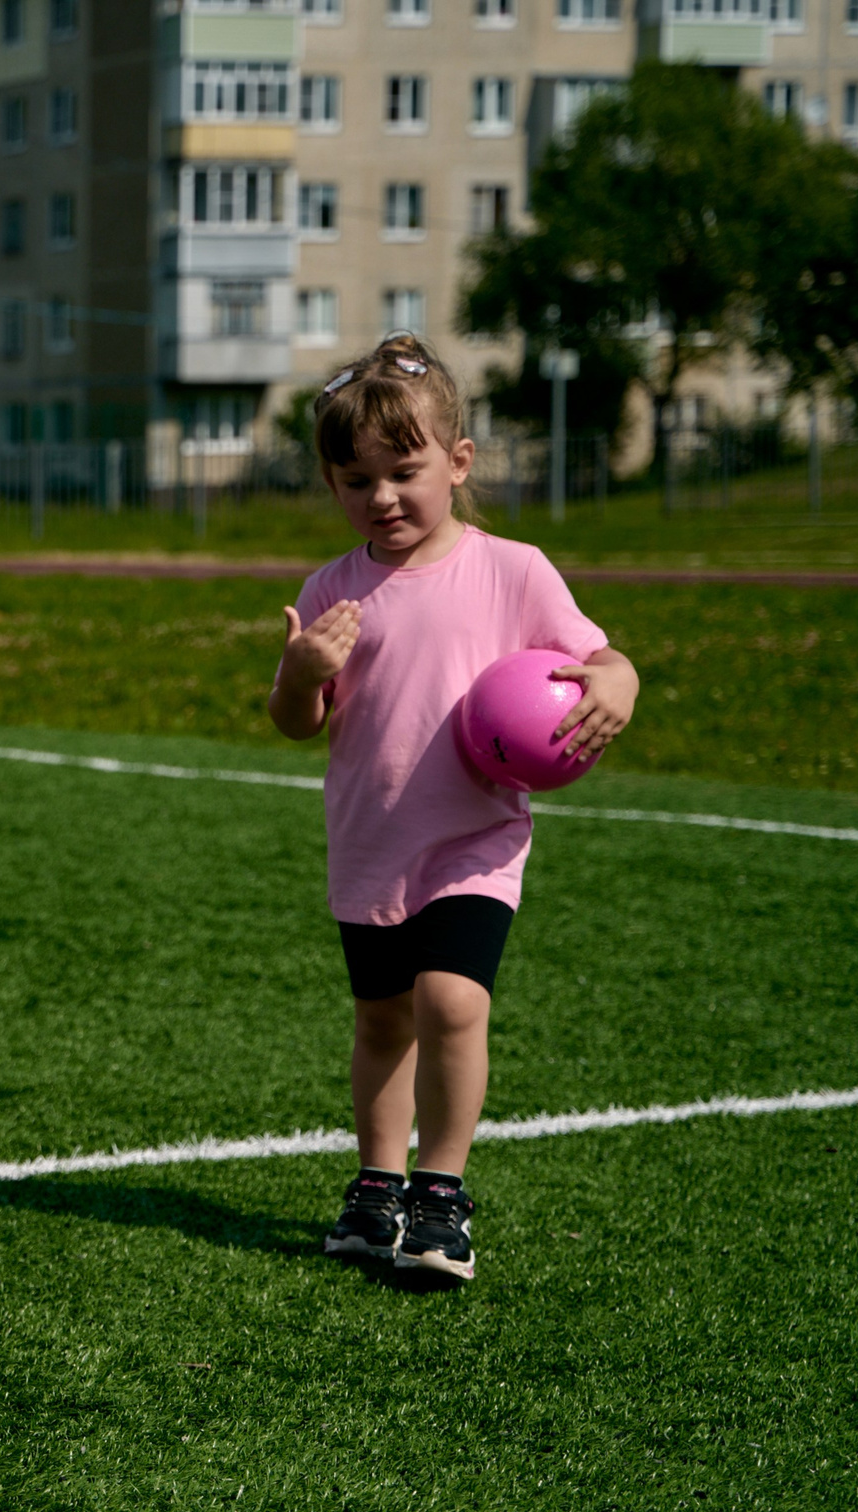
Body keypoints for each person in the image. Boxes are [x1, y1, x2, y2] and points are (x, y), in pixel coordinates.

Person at [268, 335, 639, 1282]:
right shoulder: (331, 590)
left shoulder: (513, 569)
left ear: (458, 461)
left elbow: (599, 656)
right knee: (382, 1020)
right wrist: (300, 673)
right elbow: (298, 723)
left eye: (406, 472)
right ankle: (376, 1185)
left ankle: (440, 1193)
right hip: (371, 841)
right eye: (358, 480)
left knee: (452, 999)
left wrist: (620, 682)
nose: (383, 497)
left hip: (477, 837)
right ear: (331, 482)